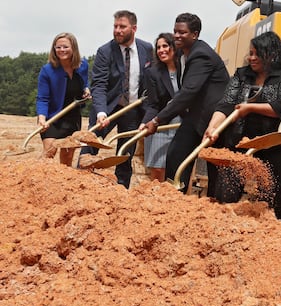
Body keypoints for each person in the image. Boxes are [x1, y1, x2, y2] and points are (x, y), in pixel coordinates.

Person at [204, 31, 281, 221]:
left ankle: (270, 228)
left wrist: (250, 108)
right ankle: (223, 221)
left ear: (271, 55)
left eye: (257, 54)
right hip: (239, 139)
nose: (252, 58)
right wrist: (213, 126)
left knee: (271, 193)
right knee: (227, 186)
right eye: (251, 53)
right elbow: (226, 103)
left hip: (272, 141)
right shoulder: (241, 75)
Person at [144, 13, 230, 194]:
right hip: (196, 117)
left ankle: (215, 208)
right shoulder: (184, 54)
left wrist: (157, 120)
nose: (176, 36)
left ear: (195, 34)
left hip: (214, 119)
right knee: (176, 155)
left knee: (216, 167)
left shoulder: (201, 55)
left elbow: (188, 93)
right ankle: (175, 199)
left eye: (182, 32)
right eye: (175, 31)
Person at [81, 10, 153, 188]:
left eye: (122, 27)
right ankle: (80, 182)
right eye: (115, 26)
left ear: (134, 28)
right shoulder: (105, 51)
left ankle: (121, 189)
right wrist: (101, 111)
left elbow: (152, 80)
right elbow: (99, 84)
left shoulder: (147, 49)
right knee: (91, 144)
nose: (117, 30)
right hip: (108, 108)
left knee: (125, 153)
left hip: (133, 109)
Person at [36, 32, 90, 166]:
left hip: (72, 117)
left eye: (65, 47)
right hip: (53, 118)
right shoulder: (47, 70)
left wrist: (87, 90)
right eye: (58, 47)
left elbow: (85, 83)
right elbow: (42, 97)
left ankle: (62, 185)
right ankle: (36, 181)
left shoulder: (82, 65)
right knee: (49, 151)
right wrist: (42, 118)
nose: (61, 50)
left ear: (73, 48)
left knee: (67, 157)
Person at [139, 33, 181, 182]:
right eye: (158, 47)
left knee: (178, 167)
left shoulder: (185, 68)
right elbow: (153, 104)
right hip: (160, 122)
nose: (161, 50)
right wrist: (145, 122)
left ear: (174, 47)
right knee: (158, 167)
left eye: (165, 46)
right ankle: (157, 197)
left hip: (181, 123)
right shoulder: (152, 73)